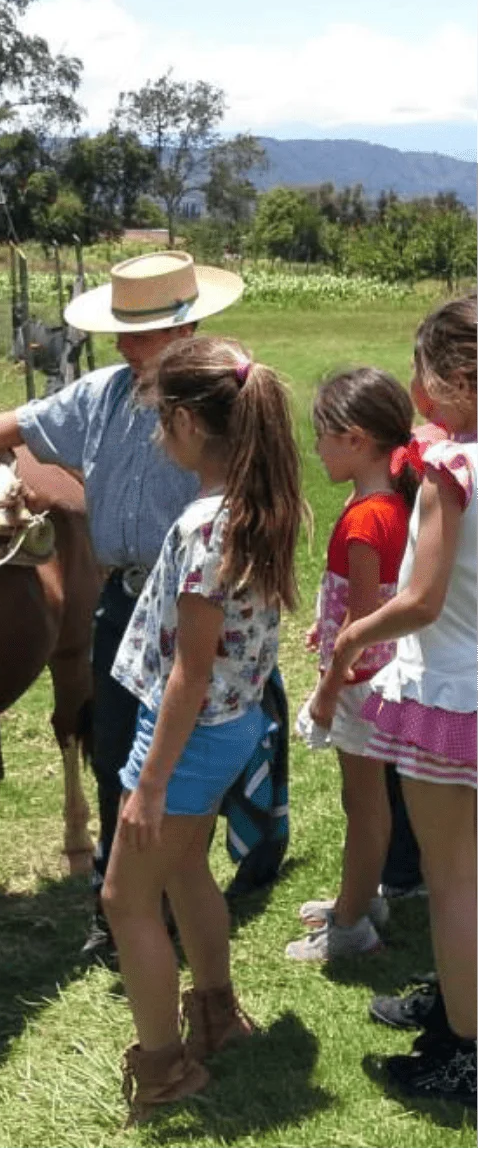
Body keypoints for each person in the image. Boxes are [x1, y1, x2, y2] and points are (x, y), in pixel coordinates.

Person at [0, 251, 283, 963]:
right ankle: (120, 903)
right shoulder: (105, 393)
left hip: (198, 600)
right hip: (124, 603)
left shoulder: (218, 409)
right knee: (119, 751)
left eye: (135, 333)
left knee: (193, 749)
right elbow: (21, 420)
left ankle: (178, 880)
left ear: (184, 330)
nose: (121, 345)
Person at [103, 336, 304, 1122]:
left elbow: (189, 670)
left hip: (188, 735)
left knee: (126, 898)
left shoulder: (201, 526)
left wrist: (148, 783)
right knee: (186, 870)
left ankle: (164, 1071)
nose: (158, 434)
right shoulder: (262, 505)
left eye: (160, 419)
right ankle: (217, 1014)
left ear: (189, 421)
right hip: (235, 725)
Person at [327, 293, 477, 1105]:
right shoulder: (455, 454)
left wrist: (355, 636)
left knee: (455, 880)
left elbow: (420, 598)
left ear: (452, 378)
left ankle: (463, 1050)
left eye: (422, 369)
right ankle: (459, 1001)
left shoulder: (449, 475)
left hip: (453, 690)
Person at [287, 368, 416, 961]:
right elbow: (367, 598)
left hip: (360, 685)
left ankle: (351, 927)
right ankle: (363, 898)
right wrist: (325, 617)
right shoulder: (390, 505)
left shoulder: (366, 518)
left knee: (362, 807)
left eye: (321, 436)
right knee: (368, 804)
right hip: (381, 680)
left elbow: (362, 619)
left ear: (356, 439)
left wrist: (328, 689)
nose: (316, 448)